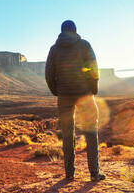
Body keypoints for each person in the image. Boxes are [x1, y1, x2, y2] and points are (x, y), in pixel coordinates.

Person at [45, 20, 106, 181]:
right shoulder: (84, 45)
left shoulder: (54, 49)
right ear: (75, 30)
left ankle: (69, 174)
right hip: (84, 94)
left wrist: (57, 92)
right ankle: (94, 173)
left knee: (67, 133)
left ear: (61, 31)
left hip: (64, 95)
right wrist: (93, 89)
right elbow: (93, 68)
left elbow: (49, 74)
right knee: (91, 131)